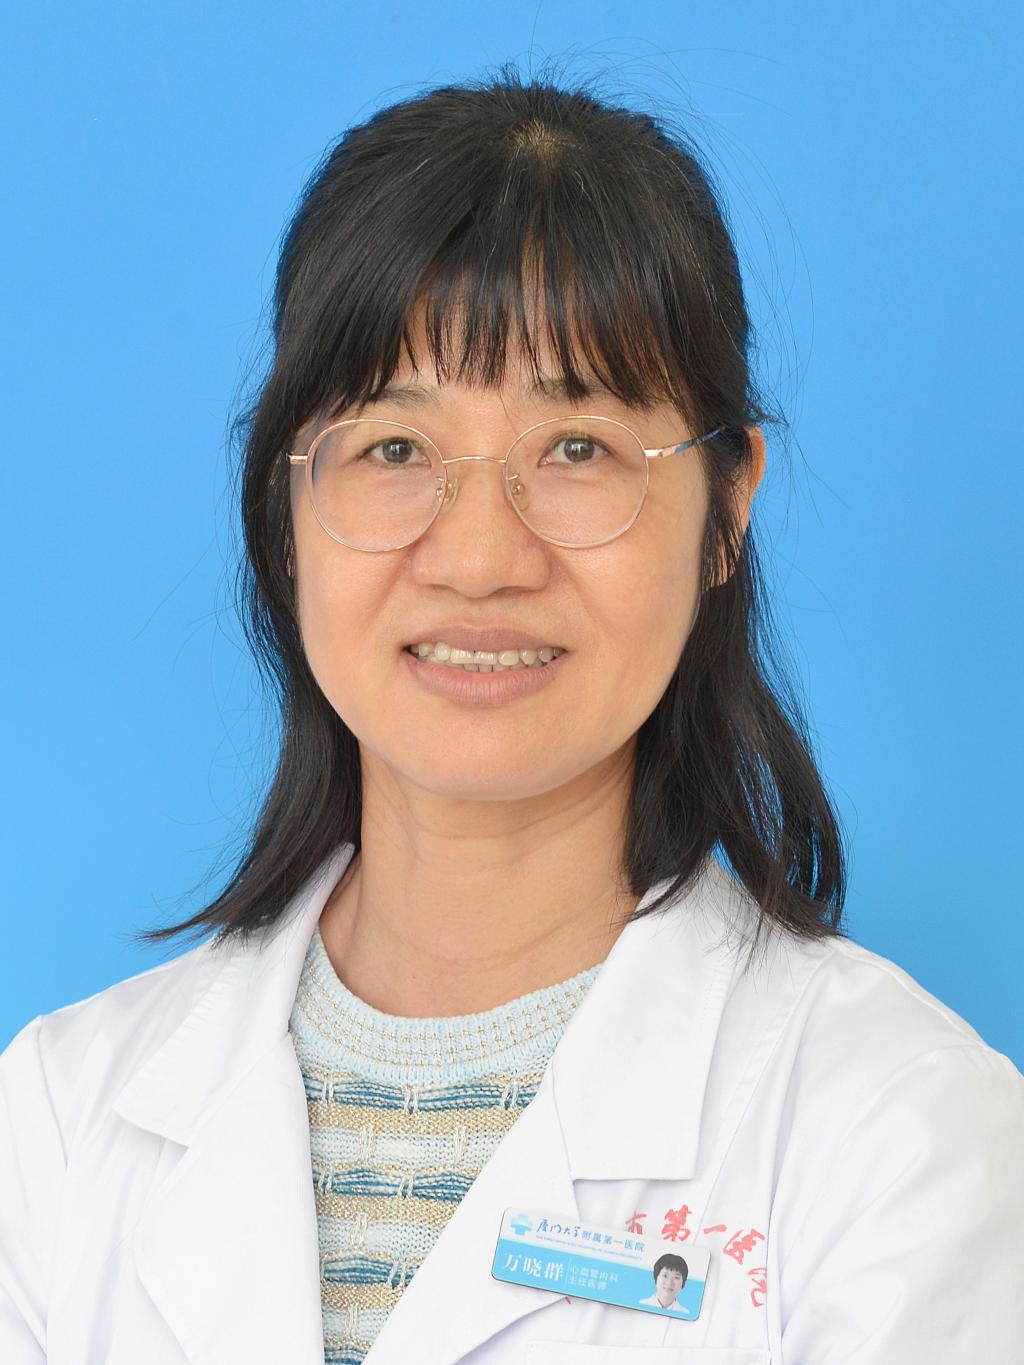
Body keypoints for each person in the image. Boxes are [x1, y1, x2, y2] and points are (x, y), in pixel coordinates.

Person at [1, 66, 1021, 1365]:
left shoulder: (900, 1136)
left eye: (578, 448)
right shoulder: (59, 1123)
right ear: (286, 504)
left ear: (729, 506)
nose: (480, 558)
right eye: (394, 449)